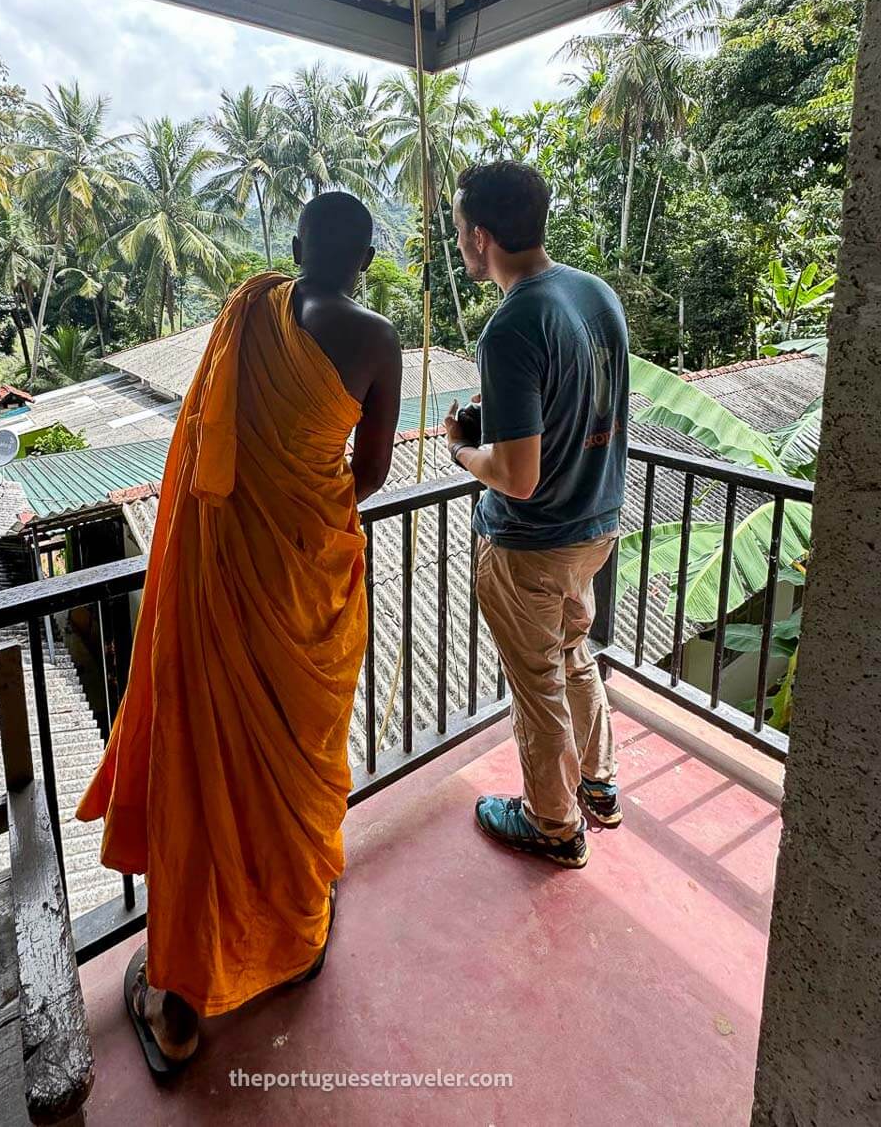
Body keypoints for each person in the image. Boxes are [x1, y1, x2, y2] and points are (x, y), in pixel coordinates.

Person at [77, 192, 402, 1074]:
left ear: (294, 247)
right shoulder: (376, 339)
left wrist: (255, 504)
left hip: (221, 577)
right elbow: (366, 473)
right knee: (296, 754)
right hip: (306, 576)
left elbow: (203, 444)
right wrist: (296, 509)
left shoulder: (247, 310)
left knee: (207, 763)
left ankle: (178, 1000)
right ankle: (292, 924)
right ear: (366, 261)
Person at [443, 160, 628, 870]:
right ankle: (598, 784)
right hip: (596, 525)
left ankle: (551, 824)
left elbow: (516, 478)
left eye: (460, 230)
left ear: (479, 237)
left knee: (536, 686)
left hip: (532, 543)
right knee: (574, 654)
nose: (461, 241)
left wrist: (463, 450)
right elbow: (578, 401)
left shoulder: (511, 325)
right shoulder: (592, 292)